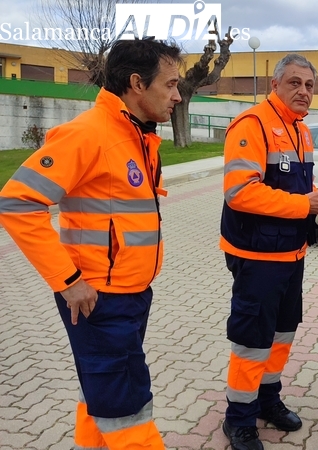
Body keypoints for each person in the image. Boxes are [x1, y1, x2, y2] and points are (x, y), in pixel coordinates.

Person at [0, 39, 182, 449]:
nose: (177, 95)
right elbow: (16, 202)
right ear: (137, 83)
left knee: (100, 391)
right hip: (97, 299)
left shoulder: (139, 135)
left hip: (133, 294)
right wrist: (67, 280)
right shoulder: (88, 134)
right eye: (170, 85)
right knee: (127, 406)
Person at [219, 53, 318, 450]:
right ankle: (238, 419)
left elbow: (294, 192)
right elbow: (240, 192)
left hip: (291, 254)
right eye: (294, 83)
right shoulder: (252, 124)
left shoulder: (301, 130)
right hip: (257, 257)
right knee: (253, 338)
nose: (303, 91)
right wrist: (306, 205)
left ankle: (267, 401)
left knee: (281, 335)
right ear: (275, 85)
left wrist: (316, 199)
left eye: (309, 85)